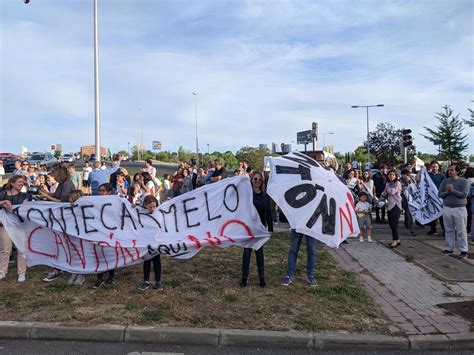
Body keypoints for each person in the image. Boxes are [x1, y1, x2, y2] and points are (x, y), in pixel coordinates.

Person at [40, 164, 76, 282]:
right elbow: (56, 196)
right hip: (60, 218)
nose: (52, 176)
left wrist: (46, 196)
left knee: (62, 243)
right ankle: (59, 267)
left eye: (54, 173)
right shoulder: (61, 183)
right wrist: (46, 193)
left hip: (65, 218)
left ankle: (60, 268)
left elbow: (62, 201)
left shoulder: (66, 184)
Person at [240, 172, 273, 288]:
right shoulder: (247, 195)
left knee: (259, 254)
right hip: (248, 229)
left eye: (259, 180)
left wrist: (270, 229)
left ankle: (261, 278)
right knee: (247, 253)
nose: (257, 181)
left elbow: (269, 213)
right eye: (255, 179)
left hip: (260, 229)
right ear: (251, 180)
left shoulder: (265, 196)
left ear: (262, 182)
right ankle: (244, 278)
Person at [0, 176, 29, 282]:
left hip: (19, 227)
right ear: (12, 183)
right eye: (20, 182)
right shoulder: (3, 194)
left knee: (21, 249)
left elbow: (25, 210)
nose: (22, 184)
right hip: (5, 226)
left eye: (23, 182)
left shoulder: (25, 195)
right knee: (5, 248)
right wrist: (4, 202)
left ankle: (21, 272)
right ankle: (2, 271)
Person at [438, 164, 470, 259]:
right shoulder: (445, 181)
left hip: (459, 209)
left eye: (452, 170)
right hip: (447, 208)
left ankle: (464, 250)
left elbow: (464, 195)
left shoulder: (464, 182)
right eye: (449, 170)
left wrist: (453, 191)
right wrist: (447, 192)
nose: (449, 171)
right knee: (448, 230)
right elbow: (439, 194)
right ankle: (449, 248)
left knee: (461, 231)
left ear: (457, 171)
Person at [137, 195, 164, 291]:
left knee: (156, 261)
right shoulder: (141, 213)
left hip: (156, 242)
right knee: (147, 261)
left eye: (154, 206)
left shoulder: (159, 214)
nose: (152, 209)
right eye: (150, 207)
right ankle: (146, 281)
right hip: (146, 242)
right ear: (145, 206)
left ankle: (158, 281)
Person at [93, 183, 117, 288]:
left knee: (110, 255)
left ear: (109, 192)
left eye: (103, 191)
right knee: (99, 255)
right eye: (100, 191)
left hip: (110, 233)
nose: (101, 193)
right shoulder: (95, 203)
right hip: (99, 233)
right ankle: (100, 277)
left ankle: (111, 277)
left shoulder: (115, 203)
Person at [66, 190, 86, 286]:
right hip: (72, 234)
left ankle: (81, 273)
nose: (68, 200)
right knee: (74, 253)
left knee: (82, 253)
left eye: (70, 198)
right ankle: (75, 271)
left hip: (82, 235)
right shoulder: (68, 209)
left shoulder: (85, 209)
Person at [382, 169, 403, 248]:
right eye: (390, 174)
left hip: (396, 205)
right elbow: (384, 192)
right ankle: (397, 239)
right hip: (389, 205)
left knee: (394, 224)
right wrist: (383, 193)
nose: (391, 176)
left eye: (393, 175)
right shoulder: (387, 183)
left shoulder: (398, 183)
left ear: (396, 176)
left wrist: (387, 190)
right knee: (391, 223)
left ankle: (395, 240)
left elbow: (392, 192)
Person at [428, 161, 446, 235]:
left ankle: (444, 230)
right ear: (431, 167)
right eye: (433, 166)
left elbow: (445, 185)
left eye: (436, 166)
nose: (434, 168)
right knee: (431, 213)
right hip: (430, 197)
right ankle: (433, 229)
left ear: (438, 167)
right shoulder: (428, 175)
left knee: (441, 214)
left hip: (439, 197)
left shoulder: (442, 176)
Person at [400, 169, 416, 236]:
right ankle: (409, 226)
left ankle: (411, 228)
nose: (406, 177)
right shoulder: (400, 181)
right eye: (404, 175)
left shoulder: (412, 181)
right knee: (408, 214)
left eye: (407, 175)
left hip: (411, 200)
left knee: (409, 214)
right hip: (403, 200)